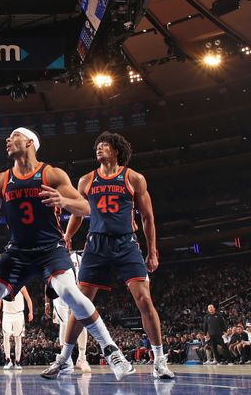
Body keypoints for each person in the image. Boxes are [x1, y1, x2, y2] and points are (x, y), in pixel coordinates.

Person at [0, 127, 134, 386]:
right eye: (8, 137)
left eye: (14, 136)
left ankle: (111, 350)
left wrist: (63, 201)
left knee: (69, 292)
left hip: (50, 249)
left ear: (30, 142)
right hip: (18, 250)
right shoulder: (1, 179)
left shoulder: (51, 174)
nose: (8, 140)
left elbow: (87, 207)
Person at [62, 132, 174, 379]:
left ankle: (159, 360)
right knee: (81, 304)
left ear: (116, 151)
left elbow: (147, 218)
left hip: (126, 243)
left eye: (104, 146)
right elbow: (78, 214)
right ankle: (64, 358)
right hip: (96, 245)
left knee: (144, 299)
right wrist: (68, 237)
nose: (98, 149)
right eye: (97, 147)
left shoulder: (133, 178)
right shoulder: (86, 180)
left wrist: (152, 251)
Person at [44, 251, 90, 372]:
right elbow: (48, 280)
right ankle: (66, 359)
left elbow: (86, 274)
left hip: (76, 290)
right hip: (60, 293)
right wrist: (47, 301)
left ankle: (82, 358)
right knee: (63, 325)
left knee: (82, 322)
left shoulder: (78, 257)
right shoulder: (53, 257)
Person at [0, 286, 33, 369]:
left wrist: (31, 312)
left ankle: (17, 361)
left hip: (18, 314)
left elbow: (28, 299)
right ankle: (8, 360)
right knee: (6, 336)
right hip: (7, 314)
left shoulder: (22, 286)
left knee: (18, 338)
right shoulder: (3, 286)